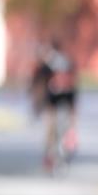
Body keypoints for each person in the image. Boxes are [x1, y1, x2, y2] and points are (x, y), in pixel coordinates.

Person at [30, 38, 78, 167]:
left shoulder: (49, 64)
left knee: (53, 127)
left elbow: (39, 84)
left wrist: (37, 103)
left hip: (56, 97)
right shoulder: (64, 62)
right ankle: (58, 149)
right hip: (63, 97)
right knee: (62, 126)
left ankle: (53, 153)